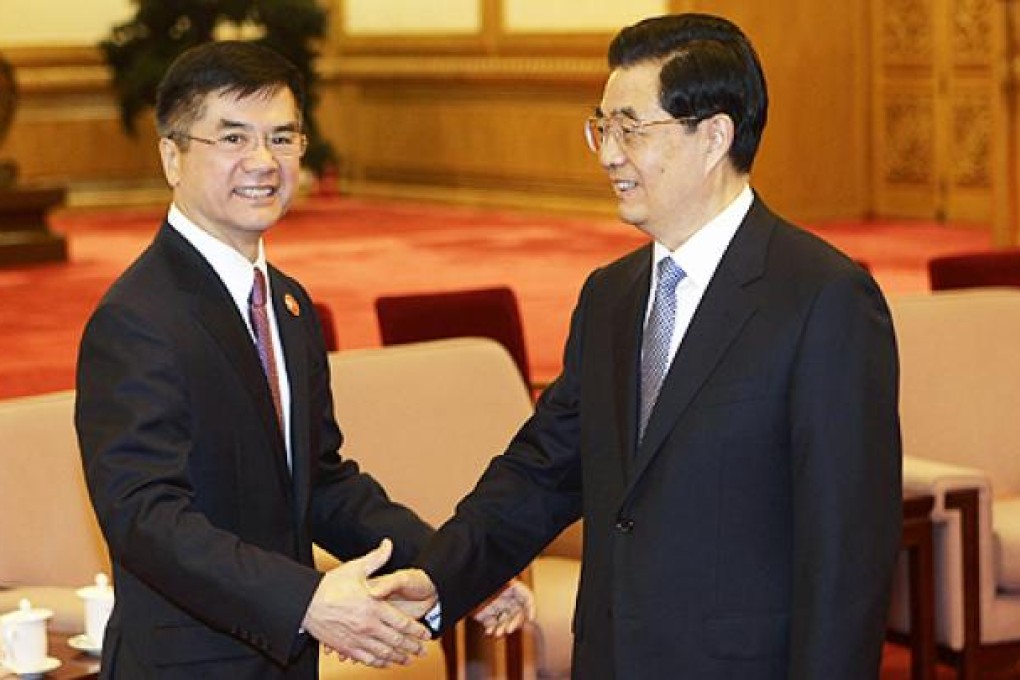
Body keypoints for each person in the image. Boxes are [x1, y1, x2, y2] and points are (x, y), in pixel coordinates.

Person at [381, 13, 903, 680]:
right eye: (602, 127)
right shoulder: (611, 297)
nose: (608, 154)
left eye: (631, 129)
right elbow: (543, 469)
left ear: (713, 135)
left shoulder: (822, 299)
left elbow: (847, 553)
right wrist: (440, 576)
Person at [74, 40, 527, 679]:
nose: (263, 161)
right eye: (232, 139)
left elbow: (321, 483)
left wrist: (456, 568)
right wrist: (305, 600)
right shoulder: (139, 317)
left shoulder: (285, 303)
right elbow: (143, 517)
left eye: (282, 139)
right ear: (172, 156)